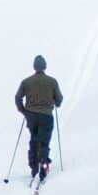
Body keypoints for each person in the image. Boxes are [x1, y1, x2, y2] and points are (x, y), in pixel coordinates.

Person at [15, 55, 63, 184]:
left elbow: (18, 97)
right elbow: (59, 99)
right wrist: (55, 103)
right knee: (44, 140)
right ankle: (42, 164)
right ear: (45, 67)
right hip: (46, 116)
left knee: (34, 139)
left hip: (31, 116)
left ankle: (34, 166)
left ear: (34, 67)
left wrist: (23, 111)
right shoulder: (52, 82)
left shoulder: (26, 82)